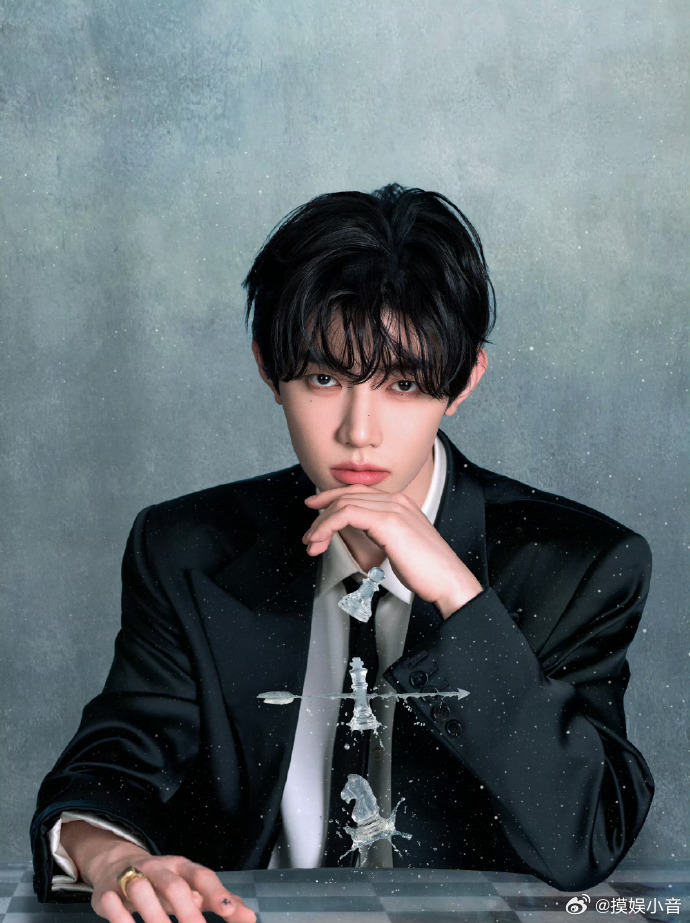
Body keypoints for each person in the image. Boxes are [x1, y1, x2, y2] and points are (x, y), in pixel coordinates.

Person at [31, 184, 654, 923]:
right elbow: (116, 765)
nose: (360, 431)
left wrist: (461, 599)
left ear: (463, 382)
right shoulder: (187, 549)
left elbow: (584, 839)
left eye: (404, 384)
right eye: (324, 378)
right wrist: (114, 857)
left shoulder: (578, 564)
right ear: (269, 369)